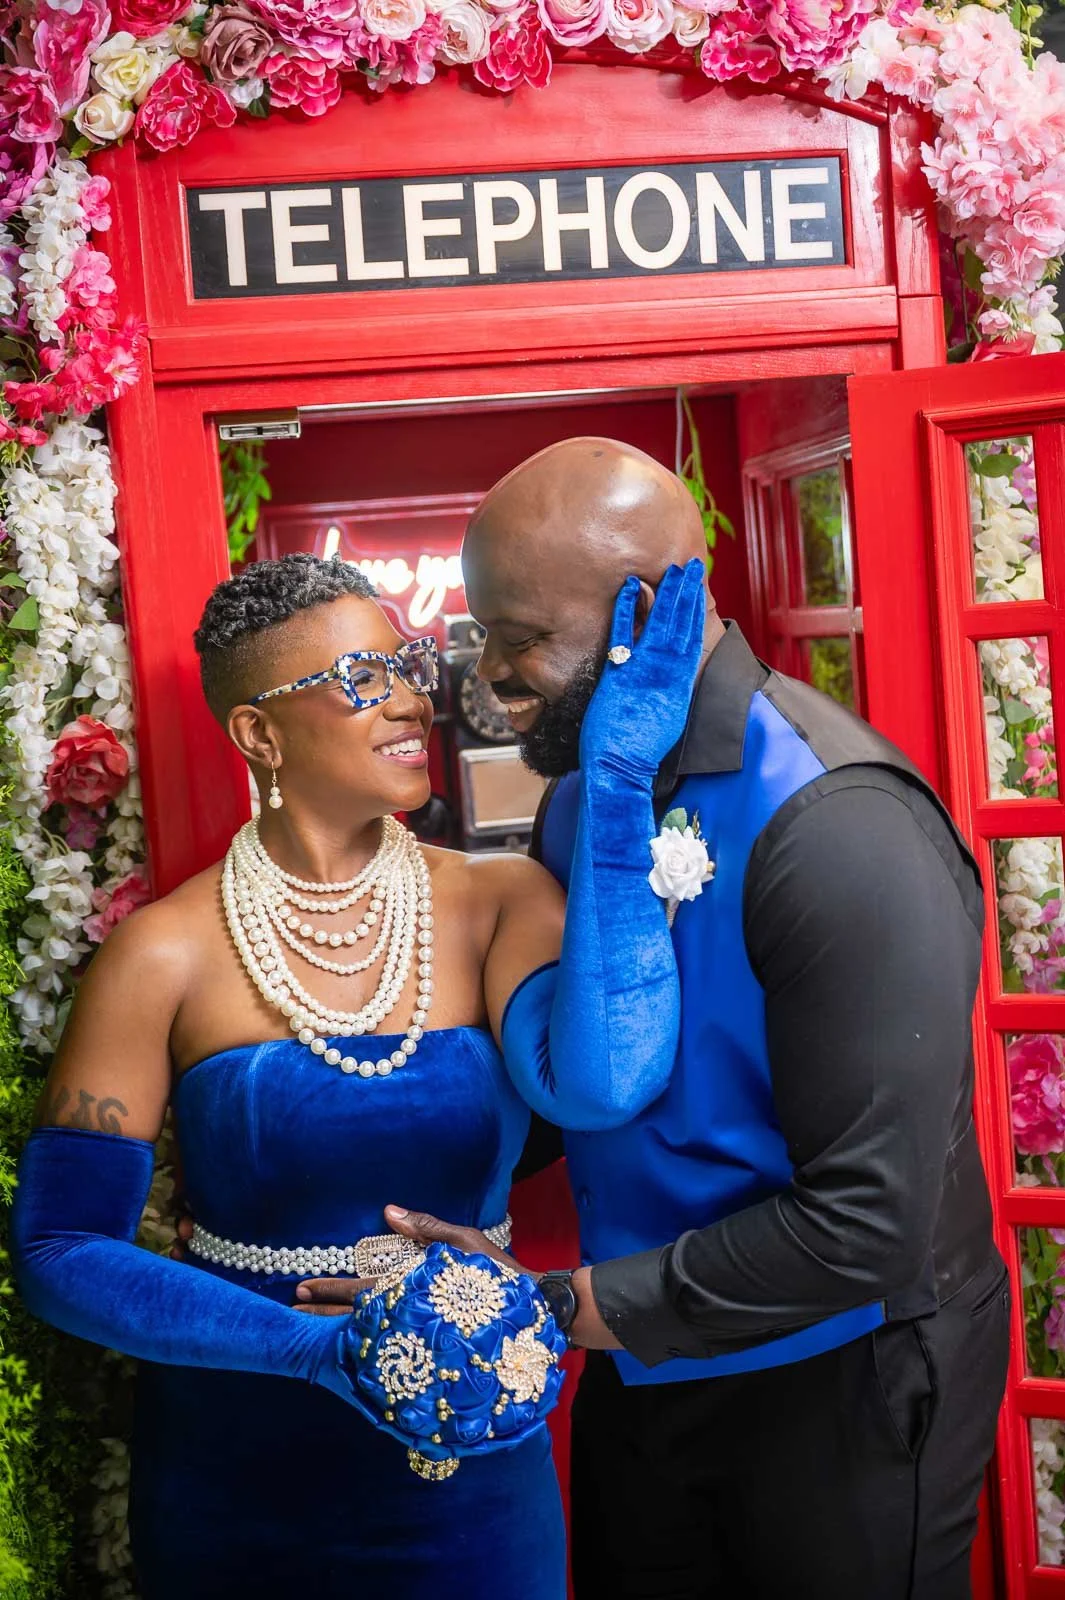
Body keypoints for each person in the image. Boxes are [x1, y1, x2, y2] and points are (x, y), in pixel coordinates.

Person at [298, 439, 1009, 1600]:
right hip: (645, 1356)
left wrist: (549, 1306)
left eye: (521, 635)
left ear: (642, 610)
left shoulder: (841, 826)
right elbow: (573, 1071)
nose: (489, 677)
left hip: (840, 1378)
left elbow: (870, 1224)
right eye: (483, 634)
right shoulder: (583, 793)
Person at [11, 550, 706, 1598]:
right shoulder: (161, 954)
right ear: (259, 733)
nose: (411, 698)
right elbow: (60, 1249)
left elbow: (608, 1083)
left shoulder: (497, 900)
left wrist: (612, 783)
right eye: (363, 677)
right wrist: (312, 1350)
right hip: (242, 1465)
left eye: (408, 665)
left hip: (467, 1461)